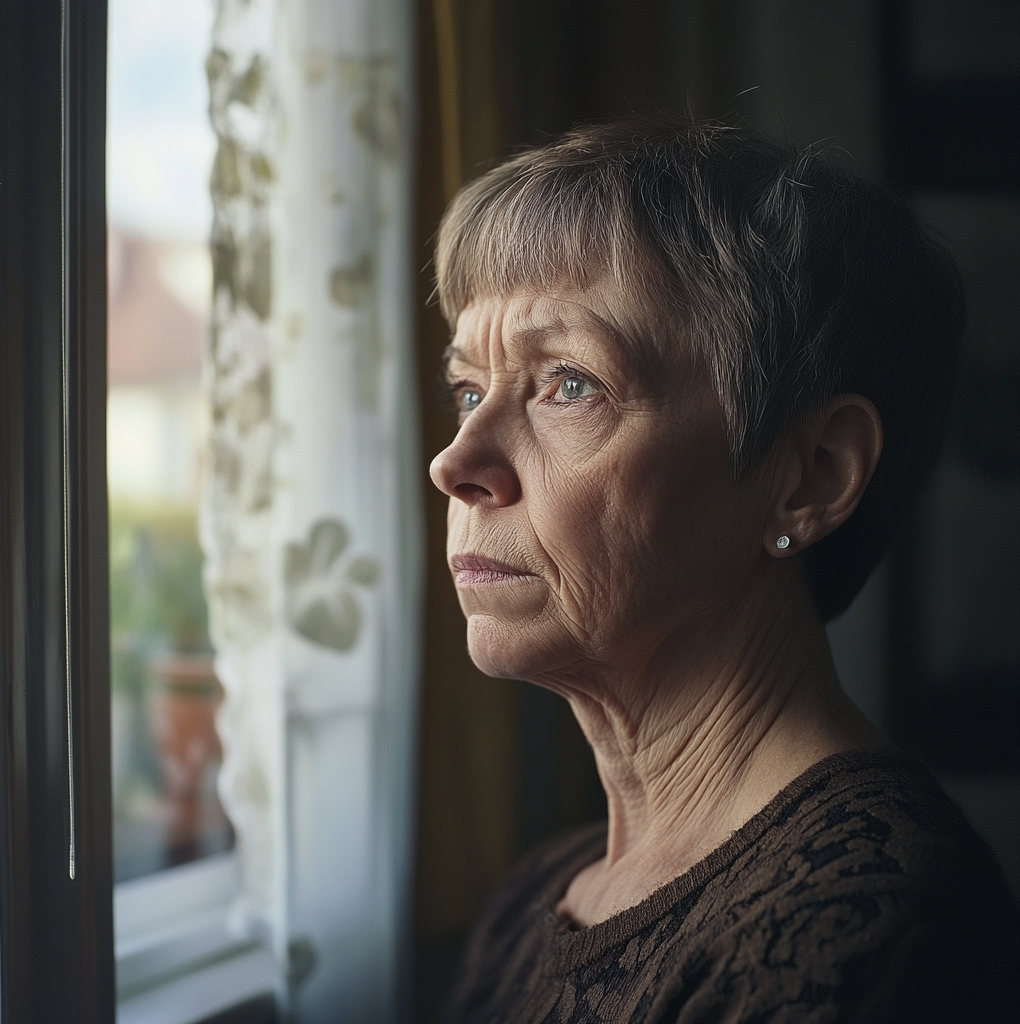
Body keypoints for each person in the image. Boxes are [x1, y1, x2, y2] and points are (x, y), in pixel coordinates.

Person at [428, 118, 1020, 1024]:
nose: (458, 460)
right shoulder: (536, 896)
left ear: (811, 476)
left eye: (569, 384)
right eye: (471, 390)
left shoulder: (868, 935)